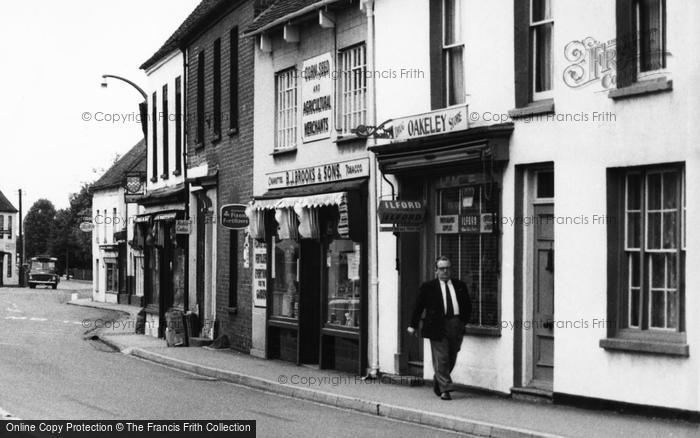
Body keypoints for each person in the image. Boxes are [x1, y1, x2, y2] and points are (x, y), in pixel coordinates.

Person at [407, 256, 471, 400]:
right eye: (442, 269)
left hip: (455, 324)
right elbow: (418, 307)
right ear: (436, 271)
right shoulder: (428, 287)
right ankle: (446, 389)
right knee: (442, 358)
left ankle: (439, 380)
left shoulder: (460, 285)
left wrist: (462, 322)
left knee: (452, 357)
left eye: (448, 268)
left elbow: (467, 306)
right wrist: (413, 325)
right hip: (436, 325)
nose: (445, 271)